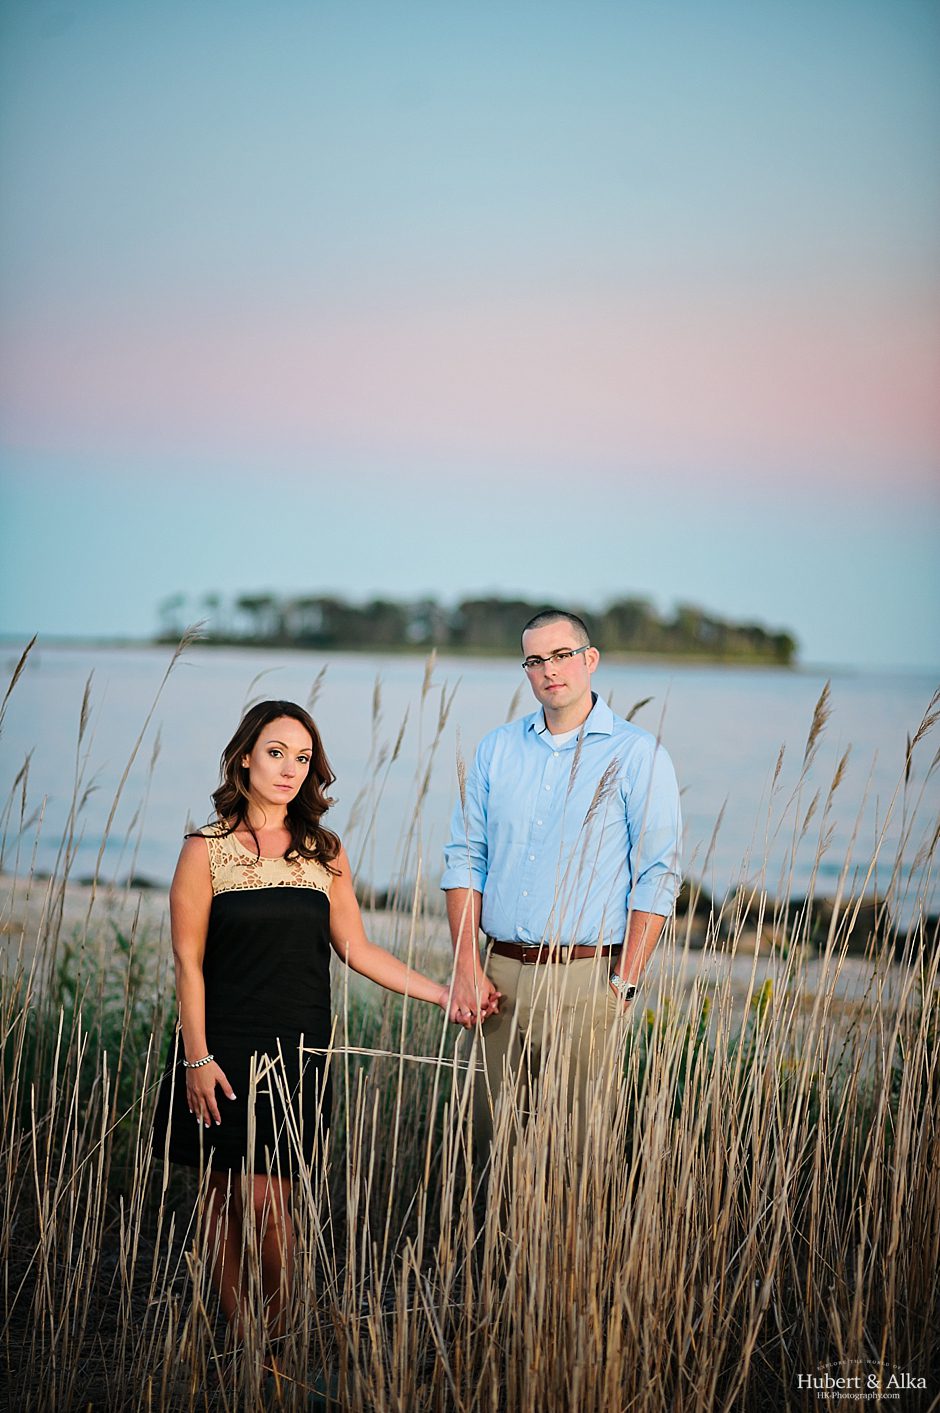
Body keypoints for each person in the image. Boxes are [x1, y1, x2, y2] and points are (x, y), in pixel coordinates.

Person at [152, 699, 451, 1370]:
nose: (290, 767)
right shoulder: (204, 850)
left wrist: (441, 991)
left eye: (304, 756)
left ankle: (285, 1345)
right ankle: (247, 1345)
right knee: (221, 1191)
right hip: (220, 1044)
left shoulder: (326, 851)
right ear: (244, 757)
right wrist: (196, 1056)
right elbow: (187, 961)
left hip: (298, 1048)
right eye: (277, 751)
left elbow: (359, 948)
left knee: (271, 1199)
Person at [441, 608, 682, 1167]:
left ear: (589, 660)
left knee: (574, 1156)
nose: (549, 669)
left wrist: (623, 982)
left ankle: (567, 1256)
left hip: (585, 977)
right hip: (496, 976)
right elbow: (465, 858)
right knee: (487, 1149)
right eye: (535, 660)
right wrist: (465, 966)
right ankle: (490, 1254)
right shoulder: (497, 749)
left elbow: (658, 872)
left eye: (561, 655)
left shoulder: (636, 754)